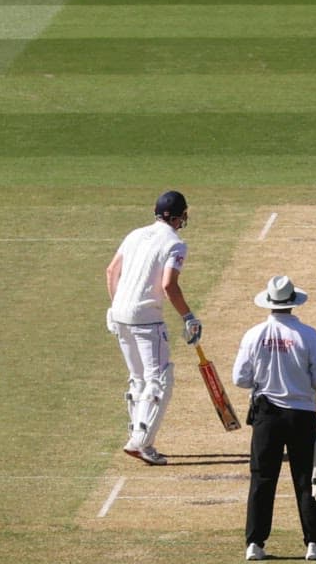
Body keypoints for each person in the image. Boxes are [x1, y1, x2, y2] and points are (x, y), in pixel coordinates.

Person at [233, 275, 316, 562]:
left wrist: (262, 380)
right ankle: (314, 543)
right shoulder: (308, 335)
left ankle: (255, 543)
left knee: (262, 479)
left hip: (267, 414)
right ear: (292, 304)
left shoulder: (254, 335)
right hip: (301, 413)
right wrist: (304, 385)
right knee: (306, 480)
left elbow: (240, 378)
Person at [105, 190, 202, 466]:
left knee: (138, 378)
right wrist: (189, 317)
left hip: (120, 314)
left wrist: (116, 307)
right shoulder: (175, 243)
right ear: (179, 216)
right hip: (146, 318)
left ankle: (137, 436)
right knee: (159, 379)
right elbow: (169, 286)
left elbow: (111, 271)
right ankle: (141, 442)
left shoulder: (134, 234)